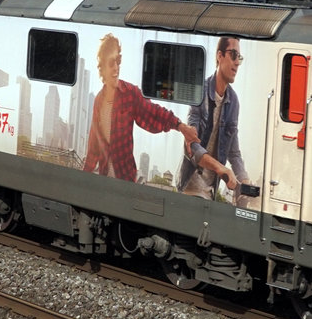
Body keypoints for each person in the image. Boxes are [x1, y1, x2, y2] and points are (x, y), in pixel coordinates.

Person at [83, 33, 198, 182]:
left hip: (125, 180)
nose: (116, 68)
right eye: (111, 63)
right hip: (104, 181)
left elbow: (153, 112)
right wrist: (82, 179)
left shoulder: (129, 94)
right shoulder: (98, 101)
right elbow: (94, 147)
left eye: (118, 61)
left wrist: (180, 126)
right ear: (102, 66)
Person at [179, 36, 253, 202]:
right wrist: (221, 168)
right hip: (189, 189)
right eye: (233, 55)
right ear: (220, 56)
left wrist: (245, 180)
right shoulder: (200, 92)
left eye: (239, 57)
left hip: (210, 193)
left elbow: (234, 152)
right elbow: (192, 146)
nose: (237, 63)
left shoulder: (233, 102)